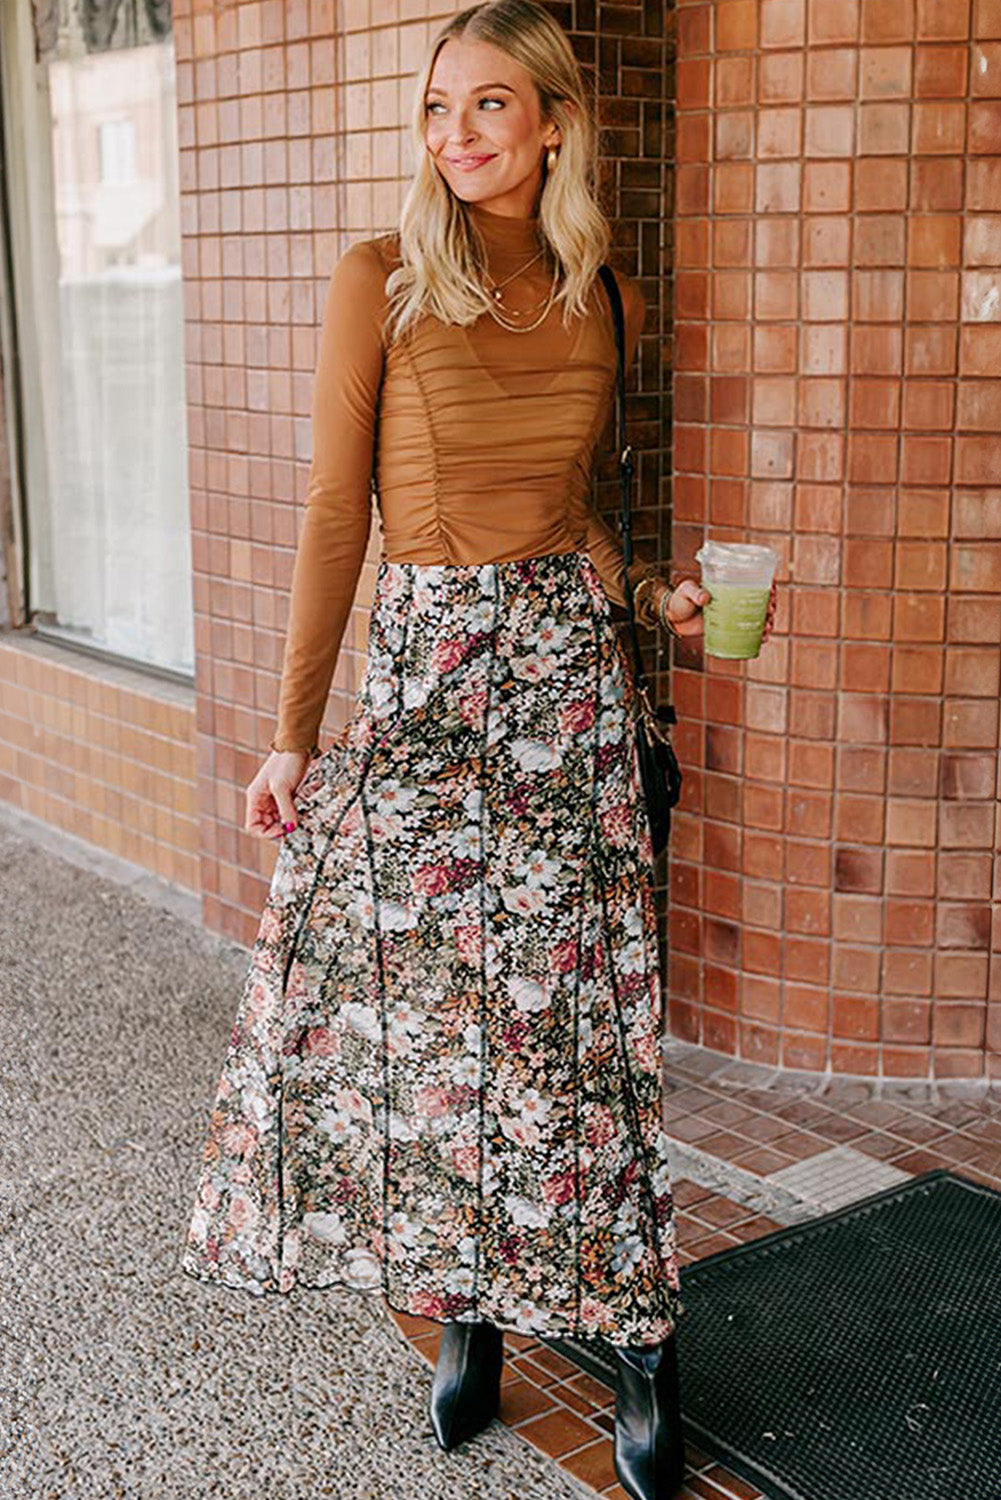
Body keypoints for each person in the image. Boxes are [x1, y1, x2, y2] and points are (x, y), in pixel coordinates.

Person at [179, 4, 776, 1498]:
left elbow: (576, 511)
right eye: (438, 106)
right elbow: (338, 515)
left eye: (490, 105)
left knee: (582, 1026)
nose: (457, 133)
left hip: (569, 690)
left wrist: (653, 597)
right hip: (431, 683)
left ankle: (640, 1344)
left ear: (553, 123)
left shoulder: (602, 292)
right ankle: (473, 1314)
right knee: (441, 1027)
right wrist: (291, 736)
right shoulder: (378, 279)